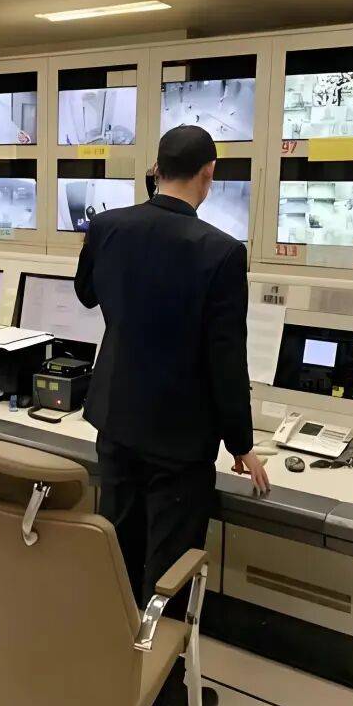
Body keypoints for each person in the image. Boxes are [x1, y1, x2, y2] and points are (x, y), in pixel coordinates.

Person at [75, 124, 270, 606]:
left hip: (117, 421)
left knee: (118, 552)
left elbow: (85, 294)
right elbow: (226, 359)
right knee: (168, 571)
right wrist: (241, 443)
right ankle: (160, 658)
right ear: (209, 174)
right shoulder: (223, 252)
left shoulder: (107, 227)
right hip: (180, 441)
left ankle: (116, 648)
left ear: (156, 170)